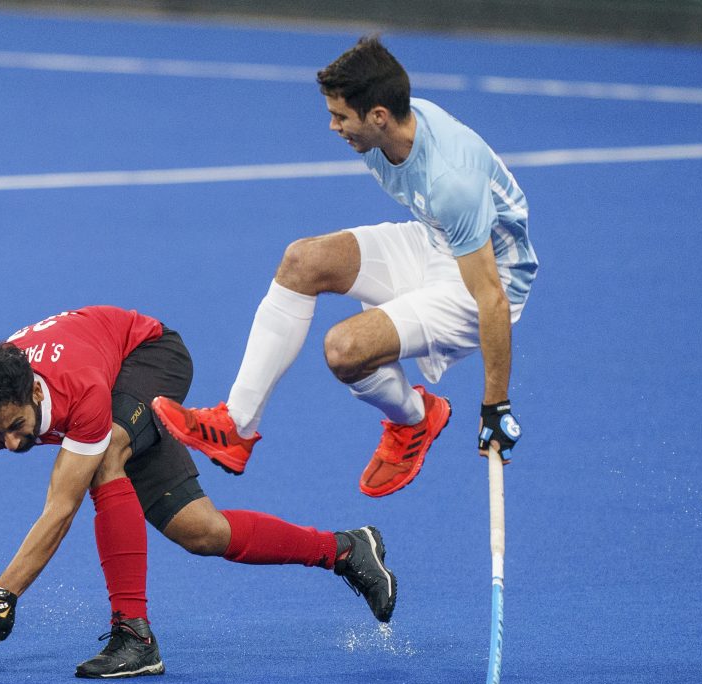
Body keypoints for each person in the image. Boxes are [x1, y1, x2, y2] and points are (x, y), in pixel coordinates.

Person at [153, 35, 534, 497]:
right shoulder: (390, 131)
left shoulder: (449, 180)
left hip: (483, 281)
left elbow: (490, 294)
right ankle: (236, 427)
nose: (333, 127)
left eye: (340, 116)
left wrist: (495, 404)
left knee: (345, 350)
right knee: (302, 261)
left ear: (378, 116)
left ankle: (414, 419)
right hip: (438, 240)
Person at [0, 305, 396, 678]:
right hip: (108, 377)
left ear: (33, 392)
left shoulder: (79, 388)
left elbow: (61, 509)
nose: (11, 443)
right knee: (202, 531)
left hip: (149, 357)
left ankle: (134, 636)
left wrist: (3, 594)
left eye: (16, 427)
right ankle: (345, 549)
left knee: (108, 453)